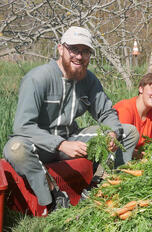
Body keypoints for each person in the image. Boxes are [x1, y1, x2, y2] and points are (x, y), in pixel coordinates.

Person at [3, 26, 139, 214]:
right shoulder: (38, 78)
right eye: (74, 49)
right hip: (40, 145)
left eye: (85, 51)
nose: (79, 56)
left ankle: (105, 187)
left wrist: (112, 133)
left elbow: (107, 112)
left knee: (129, 131)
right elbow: (23, 126)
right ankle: (53, 199)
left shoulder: (88, 80)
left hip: (71, 138)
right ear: (60, 49)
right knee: (15, 149)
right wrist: (60, 144)